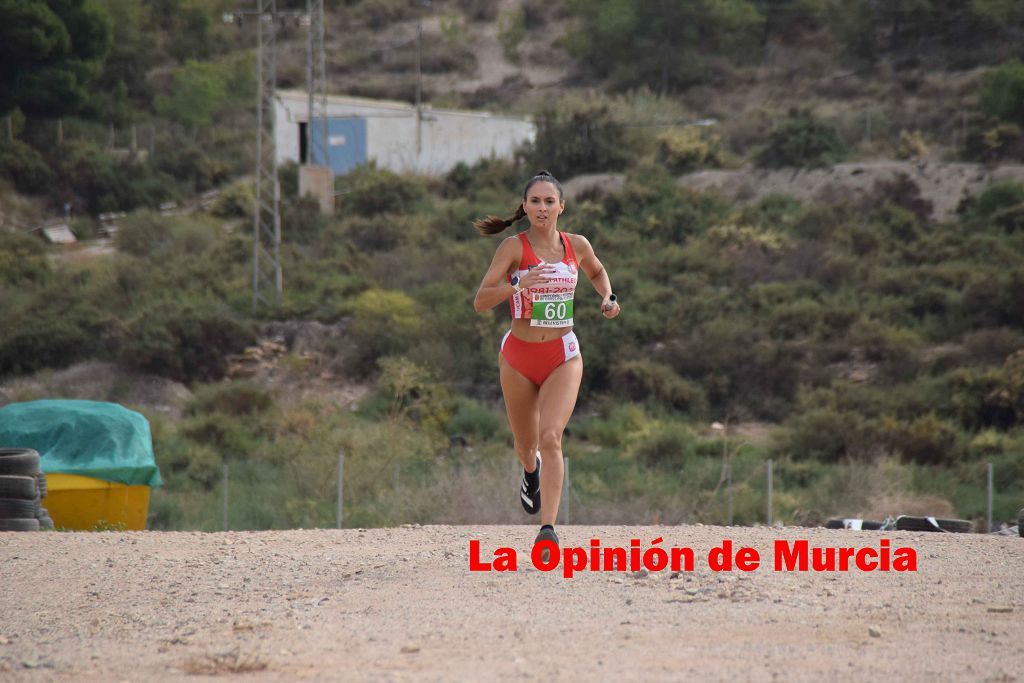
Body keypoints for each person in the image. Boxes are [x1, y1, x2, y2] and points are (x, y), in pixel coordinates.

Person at [472, 170, 620, 560]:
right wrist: (521, 284)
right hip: (519, 358)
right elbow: (481, 300)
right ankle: (530, 471)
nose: (542, 208)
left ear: (561, 207)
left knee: (551, 436)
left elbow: (597, 271)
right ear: (524, 206)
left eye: (549, 201)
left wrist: (607, 297)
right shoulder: (513, 249)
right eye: (535, 201)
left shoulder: (577, 245)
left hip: (562, 356)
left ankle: (548, 531)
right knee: (526, 445)